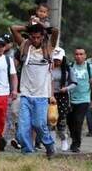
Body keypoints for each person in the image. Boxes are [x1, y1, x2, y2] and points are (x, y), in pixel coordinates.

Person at [10, 23, 58, 159]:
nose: (35, 40)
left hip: (42, 96)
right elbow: (13, 28)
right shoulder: (25, 45)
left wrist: (42, 28)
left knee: (39, 124)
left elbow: (55, 31)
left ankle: (49, 146)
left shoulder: (49, 47)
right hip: (25, 95)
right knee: (22, 130)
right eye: (33, 37)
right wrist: (29, 28)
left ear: (42, 37)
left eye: (38, 37)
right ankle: (28, 154)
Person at [68, 47, 92, 152]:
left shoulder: (89, 67)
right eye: (76, 54)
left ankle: (76, 144)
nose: (78, 56)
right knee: (70, 122)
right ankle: (74, 139)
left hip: (84, 99)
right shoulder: (70, 66)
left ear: (85, 56)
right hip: (70, 99)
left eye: (81, 54)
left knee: (78, 121)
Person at [51, 47, 77, 151]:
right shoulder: (49, 68)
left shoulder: (68, 69)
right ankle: (51, 143)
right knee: (51, 120)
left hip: (63, 96)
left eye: (58, 59)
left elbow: (74, 83)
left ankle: (63, 139)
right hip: (51, 96)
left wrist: (66, 88)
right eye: (55, 59)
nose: (56, 61)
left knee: (61, 120)